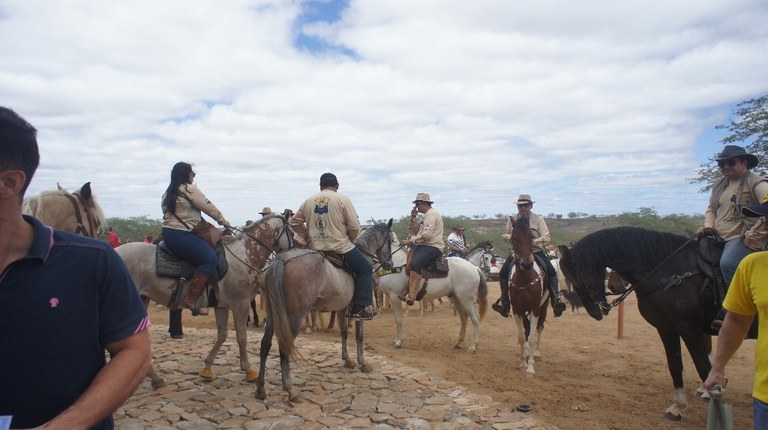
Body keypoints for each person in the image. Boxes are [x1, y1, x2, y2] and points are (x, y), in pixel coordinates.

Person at [0, 106, 151, 429]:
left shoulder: (93, 261)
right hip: (178, 229)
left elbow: (134, 353)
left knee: (211, 250)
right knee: (205, 258)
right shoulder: (177, 193)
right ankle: (196, 288)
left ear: (9, 182)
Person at [704, 198, 768, 429]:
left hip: (733, 237)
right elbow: (737, 321)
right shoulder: (755, 264)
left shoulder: (754, 182)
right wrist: (718, 368)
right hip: (765, 394)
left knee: (729, 260)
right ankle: (733, 300)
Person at [697, 145, 768, 329]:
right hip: (718, 234)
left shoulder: (757, 183)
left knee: (728, 263)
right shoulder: (719, 184)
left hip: (740, 237)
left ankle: (732, 311)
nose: (725, 166)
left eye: (730, 162)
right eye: (721, 163)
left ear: (744, 163)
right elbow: (711, 209)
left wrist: (752, 236)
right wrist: (708, 226)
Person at [289, 173, 376, 320]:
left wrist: (307, 236)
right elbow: (354, 226)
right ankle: (361, 307)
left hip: (315, 247)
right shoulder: (343, 199)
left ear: (320, 186)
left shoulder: (308, 201)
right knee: (365, 269)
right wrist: (350, 239)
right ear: (337, 185)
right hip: (340, 247)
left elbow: (294, 222)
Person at [161, 162, 232, 316]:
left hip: (168, 233)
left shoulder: (167, 193)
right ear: (185, 174)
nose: (194, 175)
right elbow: (208, 207)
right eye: (192, 172)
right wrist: (222, 220)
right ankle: (191, 298)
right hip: (181, 234)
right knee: (209, 259)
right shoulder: (189, 189)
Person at [492, 194, 567, 318]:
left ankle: (556, 300)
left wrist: (532, 242)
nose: (523, 208)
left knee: (551, 271)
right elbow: (504, 235)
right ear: (517, 207)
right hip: (518, 252)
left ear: (530, 206)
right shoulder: (512, 219)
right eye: (520, 206)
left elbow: (546, 236)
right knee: (503, 273)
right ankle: (505, 302)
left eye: (525, 205)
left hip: (536, 251)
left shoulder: (538, 219)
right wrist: (511, 238)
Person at [400, 193, 445, 303]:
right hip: (424, 245)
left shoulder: (431, 215)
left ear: (424, 203)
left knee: (415, 264)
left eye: (417, 204)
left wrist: (410, 241)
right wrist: (414, 217)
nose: (416, 206)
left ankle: (412, 295)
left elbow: (427, 235)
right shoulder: (426, 215)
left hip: (432, 247)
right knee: (408, 259)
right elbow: (415, 231)